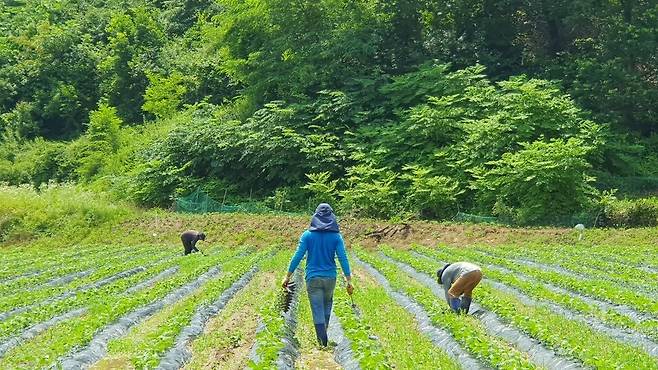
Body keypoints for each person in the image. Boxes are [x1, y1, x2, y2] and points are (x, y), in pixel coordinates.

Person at [282, 203, 353, 347]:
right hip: (330, 278)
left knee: (317, 308)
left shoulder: (307, 235)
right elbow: (343, 257)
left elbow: (298, 256)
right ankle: (323, 337)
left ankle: (322, 342)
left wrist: (287, 276)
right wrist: (348, 280)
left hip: (313, 278)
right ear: (332, 217)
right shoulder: (336, 237)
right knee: (327, 304)